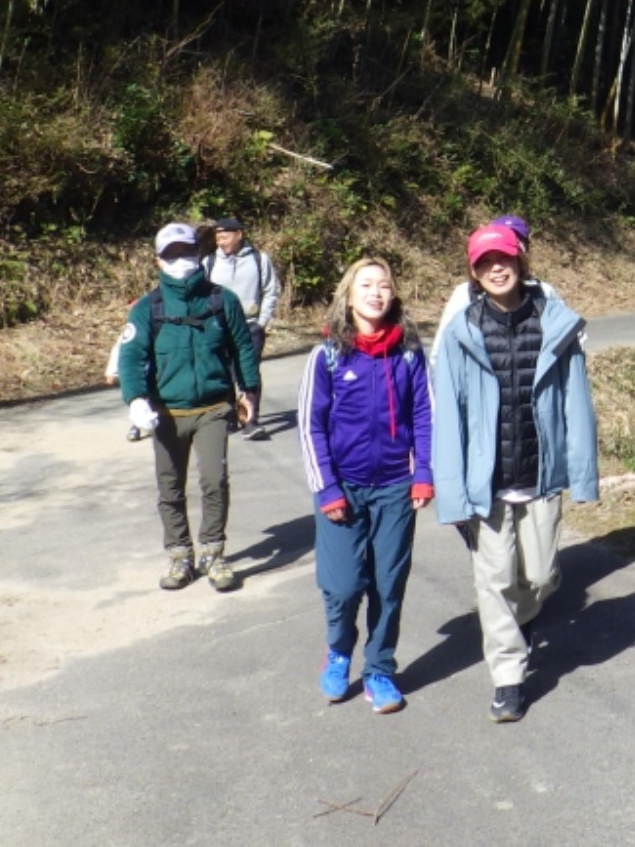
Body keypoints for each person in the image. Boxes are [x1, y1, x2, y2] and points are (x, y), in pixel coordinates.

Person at [430, 223, 598, 724]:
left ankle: (522, 619)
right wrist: (452, 492)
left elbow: (577, 402)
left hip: (540, 475)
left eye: (502, 258)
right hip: (488, 482)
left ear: (521, 260)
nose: (495, 268)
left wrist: (584, 474)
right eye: (483, 263)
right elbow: (450, 420)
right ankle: (507, 678)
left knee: (542, 576)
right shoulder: (461, 332)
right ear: (473, 273)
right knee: (495, 579)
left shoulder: (554, 322)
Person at [300, 257, 433, 714]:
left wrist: (424, 473)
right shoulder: (328, 355)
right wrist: (326, 489)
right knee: (341, 587)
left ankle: (379, 669)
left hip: (396, 486)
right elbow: (310, 426)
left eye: (384, 285)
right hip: (344, 488)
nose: (376, 292)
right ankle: (338, 652)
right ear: (349, 296)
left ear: (394, 295)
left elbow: (424, 416)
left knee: (388, 584)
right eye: (366, 285)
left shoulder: (410, 352)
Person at [115, 222, 261, 593]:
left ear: (199, 254)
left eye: (186, 252)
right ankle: (180, 555)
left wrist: (250, 391)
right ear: (158, 260)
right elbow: (131, 358)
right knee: (170, 487)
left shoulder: (221, 300)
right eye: (172, 254)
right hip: (166, 413)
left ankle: (213, 552)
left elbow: (243, 347)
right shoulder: (148, 308)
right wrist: (135, 400)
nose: (181, 260)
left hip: (214, 408)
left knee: (215, 481)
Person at [204, 218, 281, 440]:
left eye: (225, 237)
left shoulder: (259, 260)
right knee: (223, 371)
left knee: (249, 372)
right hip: (220, 327)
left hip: (250, 324)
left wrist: (262, 321)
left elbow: (270, 290)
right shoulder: (209, 263)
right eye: (217, 238)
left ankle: (251, 419)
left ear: (239, 234)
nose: (220, 242)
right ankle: (230, 415)